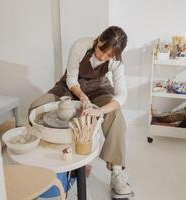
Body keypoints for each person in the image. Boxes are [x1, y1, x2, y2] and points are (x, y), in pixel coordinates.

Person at [30, 26, 132, 198]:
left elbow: (121, 95)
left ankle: (116, 172)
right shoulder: (80, 46)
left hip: (98, 88)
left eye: (108, 56)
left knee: (115, 115)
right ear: (99, 39)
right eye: (101, 51)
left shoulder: (116, 60)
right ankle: (47, 166)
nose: (102, 57)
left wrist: (100, 110)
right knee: (36, 107)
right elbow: (71, 79)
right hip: (71, 87)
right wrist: (83, 98)